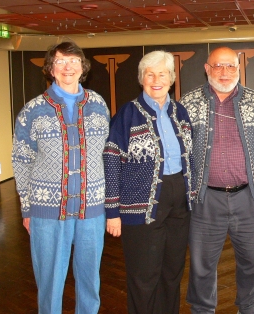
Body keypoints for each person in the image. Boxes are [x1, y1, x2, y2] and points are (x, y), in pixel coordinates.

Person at [180, 46, 254, 314]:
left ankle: (249, 306)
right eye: (218, 66)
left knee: (253, 260)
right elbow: (179, 152)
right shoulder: (188, 104)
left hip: (250, 197)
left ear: (239, 68)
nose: (224, 72)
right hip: (204, 200)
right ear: (207, 69)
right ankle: (202, 310)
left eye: (230, 66)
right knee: (202, 265)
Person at [11, 41, 110, 314]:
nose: (68, 67)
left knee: (90, 279)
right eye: (60, 61)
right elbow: (21, 161)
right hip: (48, 210)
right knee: (50, 281)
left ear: (83, 67)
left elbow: (106, 153)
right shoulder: (33, 110)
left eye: (74, 61)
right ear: (51, 69)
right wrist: (27, 208)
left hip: (92, 208)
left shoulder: (98, 104)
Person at [103, 50, 193, 314]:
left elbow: (191, 158)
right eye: (150, 74)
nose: (156, 80)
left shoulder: (180, 112)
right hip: (140, 204)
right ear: (141, 78)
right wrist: (112, 212)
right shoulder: (127, 114)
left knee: (172, 272)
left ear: (171, 79)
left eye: (162, 74)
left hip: (179, 202)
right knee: (144, 276)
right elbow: (111, 160)